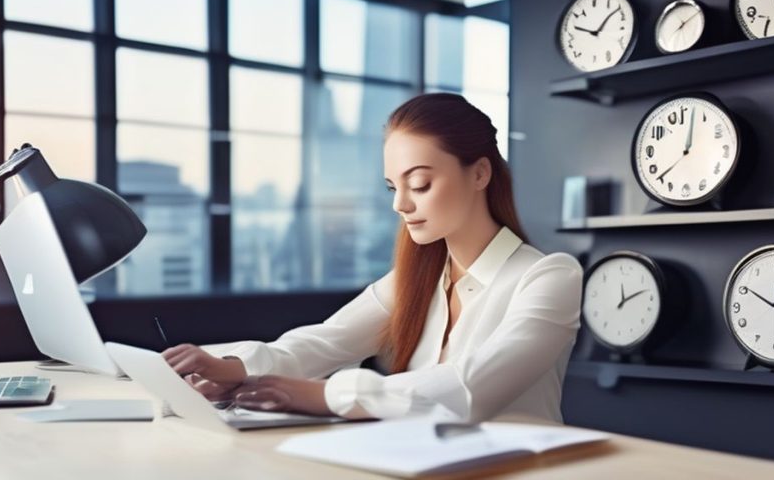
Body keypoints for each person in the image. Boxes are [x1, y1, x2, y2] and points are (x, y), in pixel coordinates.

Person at [161, 93, 583, 424]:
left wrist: (326, 395)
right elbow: (325, 341)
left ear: (479, 174)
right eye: (391, 187)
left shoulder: (548, 277)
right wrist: (232, 367)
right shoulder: (415, 279)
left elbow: (470, 389)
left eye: (419, 184)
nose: (400, 204)